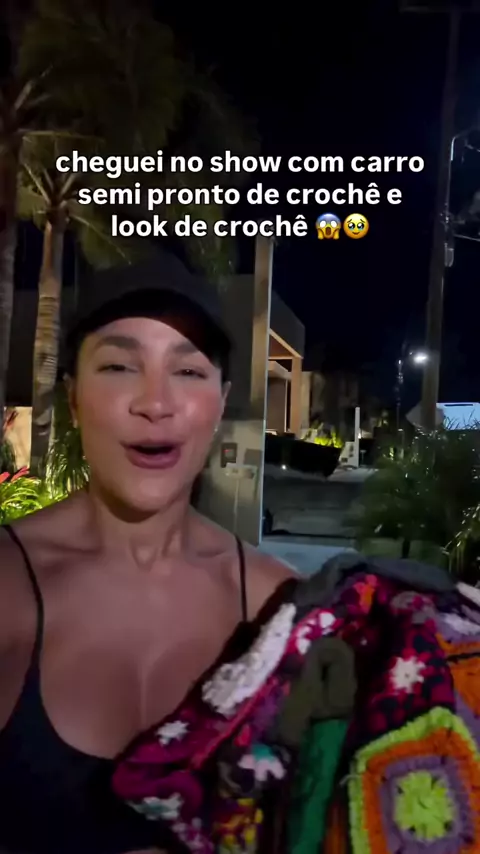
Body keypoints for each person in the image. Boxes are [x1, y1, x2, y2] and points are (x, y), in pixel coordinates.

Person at [0, 252, 294, 854]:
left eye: (187, 371)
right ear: (74, 398)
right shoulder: (8, 585)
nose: (155, 403)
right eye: (118, 366)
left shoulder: (281, 610)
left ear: (221, 402)